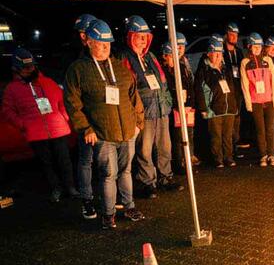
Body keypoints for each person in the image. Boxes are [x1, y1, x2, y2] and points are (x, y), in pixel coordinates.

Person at [64, 19, 145, 230]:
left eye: (108, 43)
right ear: (89, 42)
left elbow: (133, 96)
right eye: (101, 43)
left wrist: (139, 123)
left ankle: (129, 206)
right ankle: (108, 214)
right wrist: (85, 128)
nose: (106, 47)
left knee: (126, 171)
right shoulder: (78, 70)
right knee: (108, 175)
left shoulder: (119, 67)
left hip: (128, 131)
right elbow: (72, 103)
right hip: (102, 133)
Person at [2, 49, 77, 203]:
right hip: (36, 133)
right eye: (26, 67)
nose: (30, 69)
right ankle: (56, 188)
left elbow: (62, 99)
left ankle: (71, 188)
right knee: (46, 163)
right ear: (16, 69)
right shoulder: (12, 89)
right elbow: (7, 110)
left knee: (65, 161)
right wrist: (22, 124)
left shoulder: (47, 82)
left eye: (32, 66)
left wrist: (64, 115)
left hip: (58, 129)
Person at [118, 15, 179, 198]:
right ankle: (147, 182)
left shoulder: (150, 56)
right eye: (139, 36)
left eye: (145, 36)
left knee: (164, 146)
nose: (143, 40)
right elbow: (126, 88)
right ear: (130, 36)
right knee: (144, 150)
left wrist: (167, 103)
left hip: (161, 110)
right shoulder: (124, 57)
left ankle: (165, 177)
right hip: (143, 113)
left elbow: (162, 82)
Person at [195, 38, 238, 169]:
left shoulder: (226, 68)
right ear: (209, 53)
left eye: (220, 53)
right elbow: (199, 89)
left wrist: (235, 105)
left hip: (229, 108)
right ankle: (218, 159)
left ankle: (228, 158)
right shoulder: (204, 69)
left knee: (228, 136)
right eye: (215, 53)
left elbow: (233, 87)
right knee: (216, 136)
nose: (219, 56)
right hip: (214, 109)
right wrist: (203, 108)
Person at [240, 32, 274, 166]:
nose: (257, 49)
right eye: (254, 46)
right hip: (255, 101)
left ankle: (272, 155)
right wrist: (248, 104)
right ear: (250, 47)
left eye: (259, 46)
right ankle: (263, 155)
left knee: (270, 129)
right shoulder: (245, 62)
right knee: (260, 129)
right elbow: (245, 85)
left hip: (269, 100)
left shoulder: (267, 60)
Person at [72, 14, 99, 218]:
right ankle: (87, 199)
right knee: (86, 160)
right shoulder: (76, 61)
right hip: (87, 121)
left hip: (103, 120)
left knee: (106, 161)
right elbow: (72, 99)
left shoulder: (104, 55)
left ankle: (107, 196)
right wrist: (84, 125)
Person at [161, 42, 197, 171]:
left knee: (187, 134)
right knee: (176, 137)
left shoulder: (181, 68)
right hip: (174, 109)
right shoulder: (163, 71)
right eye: (171, 56)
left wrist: (190, 104)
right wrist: (176, 105)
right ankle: (178, 163)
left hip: (186, 106)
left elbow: (189, 86)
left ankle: (187, 160)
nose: (173, 58)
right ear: (165, 56)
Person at [222, 22, 247, 151]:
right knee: (229, 117)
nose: (234, 37)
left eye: (236, 35)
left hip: (238, 89)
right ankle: (228, 145)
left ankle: (235, 142)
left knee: (237, 116)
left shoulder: (239, 51)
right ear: (226, 35)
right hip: (227, 90)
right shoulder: (221, 52)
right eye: (231, 35)